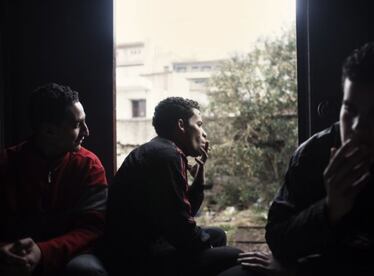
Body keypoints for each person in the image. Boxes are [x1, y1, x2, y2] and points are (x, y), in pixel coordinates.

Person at [266, 39, 374, 275]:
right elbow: (277, 238)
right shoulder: (314, 153)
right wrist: (329, 208)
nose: (357, 128)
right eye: (350, 110)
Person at [104, 97, 242, 276]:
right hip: (139, 256)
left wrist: (199, 174)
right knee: (237, 255)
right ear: (181, 125)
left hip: (153, 242)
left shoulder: (162, 150)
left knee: (217, 234)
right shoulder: (166, 157)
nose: (204, 133)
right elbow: (179, 227)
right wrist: (207, 245)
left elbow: (183, 212)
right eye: (199, 124)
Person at [0, 83, 108, 276]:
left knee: (85, 271)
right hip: (15, 254)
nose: (87, 131)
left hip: (72, 255)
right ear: (49, 131)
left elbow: (92, 228)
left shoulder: (89, 166)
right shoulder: (6, 164)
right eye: (77, 124)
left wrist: (43, 252)